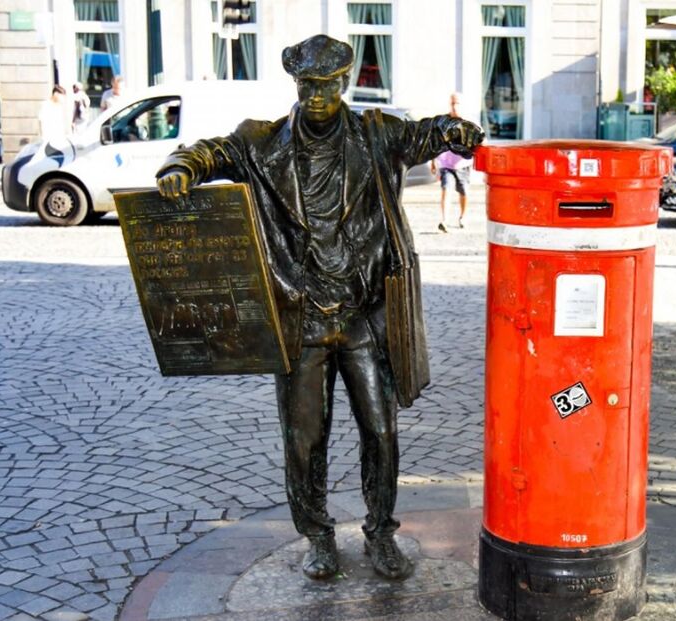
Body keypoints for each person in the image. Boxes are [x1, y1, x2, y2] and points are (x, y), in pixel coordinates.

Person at [156, 35, 483, 582]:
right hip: (300, 319)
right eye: (308, 86)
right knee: (304, 440)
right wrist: (178, 166)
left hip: (363, 319)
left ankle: (381, 532)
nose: (317, 96)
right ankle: (318, 537)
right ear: (296, 86)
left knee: (380, 431)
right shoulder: (260, 143)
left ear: (344, 84)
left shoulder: (378, 135)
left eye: (328, 86)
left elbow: (430, 134)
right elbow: (207, 151)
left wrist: (456, 130)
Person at [430, 93, 471, 232]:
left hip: (463, 165)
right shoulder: (444, 121)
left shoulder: (468, 122)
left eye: (457, 103)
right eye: (452, 103)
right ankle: (444, 220)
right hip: (446, 164)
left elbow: (479, 142)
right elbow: (435, 142)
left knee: (463, 192)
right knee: (446, 190)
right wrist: (433, 161)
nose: (454, 106)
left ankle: (463, 216)